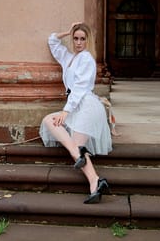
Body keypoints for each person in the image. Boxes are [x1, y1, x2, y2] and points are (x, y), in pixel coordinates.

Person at [39, 22, 112, 204]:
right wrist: (68, 31)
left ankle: (94, 182)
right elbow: (52, 41)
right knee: (49, 120)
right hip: (76, 106)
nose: (79, 42)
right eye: (76, 38)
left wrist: (66, 111)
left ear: (88, 41)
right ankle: (95, 179)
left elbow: (79, 88)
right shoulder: (69, 57)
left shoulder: (86, 58)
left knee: (77, 145)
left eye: (82, 39)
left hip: (87, 106)